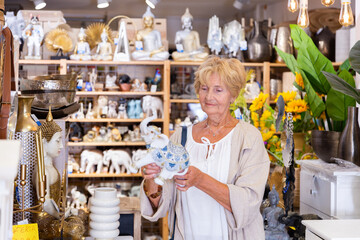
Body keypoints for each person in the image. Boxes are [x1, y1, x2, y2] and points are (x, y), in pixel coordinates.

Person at [140, 56, 270, 239]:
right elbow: (160, 202)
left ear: (233, 95)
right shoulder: (181, 137)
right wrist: (152, 179)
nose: (209, 97)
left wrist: (200, 180)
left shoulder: (249, 138)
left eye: (218, 90)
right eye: (204, 88)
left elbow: (249, 202)